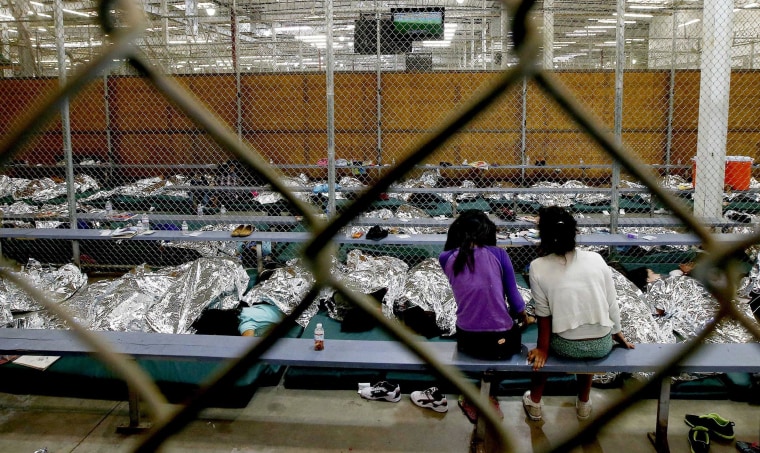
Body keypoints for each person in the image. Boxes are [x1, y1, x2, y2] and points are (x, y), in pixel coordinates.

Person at [411, 210, 527, 418]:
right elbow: (516, 301)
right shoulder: (499, 254)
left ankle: (473, 397)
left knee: (475, 328)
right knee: (512, 331)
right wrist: (525, 316)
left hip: (468, 340)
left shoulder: (445, 258)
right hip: (503, 343)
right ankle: (489, 394)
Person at [523, 205, 634, 422]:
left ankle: (535, 402)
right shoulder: (596, 258)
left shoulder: (537, 266)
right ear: (574, 233)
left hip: (567, 346)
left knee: (545, 349)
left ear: (543, 235)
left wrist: (542, 349)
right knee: (588, 327)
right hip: (602, 345)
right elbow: (611, 302)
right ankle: (584, 402)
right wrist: (616, 332)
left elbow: (543, 315)